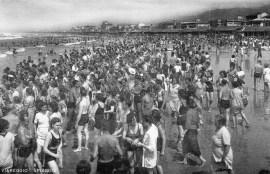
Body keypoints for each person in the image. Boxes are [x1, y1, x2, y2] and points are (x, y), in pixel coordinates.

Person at [182, 96, 205, 166]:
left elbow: (188, 124)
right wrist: (198, 127)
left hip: (190, 130)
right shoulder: (196, 111)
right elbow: (198, 121)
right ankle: (185, 160)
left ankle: (200, 161)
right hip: (194, 130)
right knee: (187, 144)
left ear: (188, 105)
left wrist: (184, 131)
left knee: (191, 145)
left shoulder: (189, 112)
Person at [74, 87, 90, 152]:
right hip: (86, 115)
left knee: (79, 132)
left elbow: (79, 114)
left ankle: (79, 148)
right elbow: (88, 108)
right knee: (86, 130)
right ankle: (86, 146)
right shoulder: (87, 100)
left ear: (80, 94)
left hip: (82, 116)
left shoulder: (81, 103)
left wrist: (76, 123)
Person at [152, 109, 166, 174]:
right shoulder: (154, 124)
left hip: (158, 146)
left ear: (155, 118)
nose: (151, 118)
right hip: (154, 145)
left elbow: (164, 138)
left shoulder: (159, 125)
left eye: (152, 117)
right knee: (154, 163)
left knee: (158, 164)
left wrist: (162, 150)